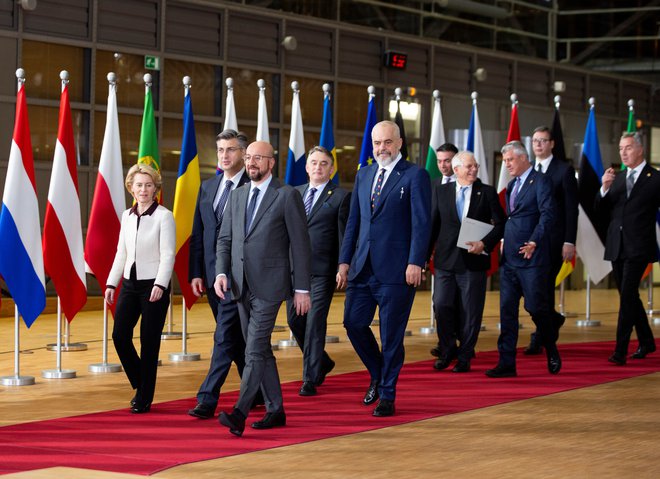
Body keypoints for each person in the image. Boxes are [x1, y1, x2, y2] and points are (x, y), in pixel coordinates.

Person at [214, 140, 311, 436]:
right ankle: (275, 409)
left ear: (271, 162)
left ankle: (240, 412)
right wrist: (221, 271)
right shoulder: (238, 194)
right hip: (240, 285)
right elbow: (225, 239)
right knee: (261, 350)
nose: (251, 162)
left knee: (254, 349)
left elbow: (300, 245)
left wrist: (302, 289)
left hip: (271, 285)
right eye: (248, 157)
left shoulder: (287, 196)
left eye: (258, 158)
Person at [337, 120, 431, 417]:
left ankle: (388, 395)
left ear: (399, 143)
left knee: (391, 336)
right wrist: (344, 261)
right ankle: (378, 374)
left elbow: (422, 223)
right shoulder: (364, 175)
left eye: (387, 142)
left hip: (397, 270)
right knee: (353, 323)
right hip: (362, 267)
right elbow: (353, 222)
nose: (381, 148)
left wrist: (416, 261)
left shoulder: (415, 176)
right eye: (377, 143)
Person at [187, 129, 252, 419]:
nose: (225, 155)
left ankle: (207, 397)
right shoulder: (208, 187)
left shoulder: (255, 187)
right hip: (212, 276)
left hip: (241, 277)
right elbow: (199, 233)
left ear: (244, 154)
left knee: (224, 336)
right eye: (221, 150)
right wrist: (196, 272)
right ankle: (259, 391)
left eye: (231, 150)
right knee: (234, 338)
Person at [486, 141, 560, 378]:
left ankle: (551, 347)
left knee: (536, 308)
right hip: (509, 260)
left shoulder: (540, 181)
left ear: (523, 158)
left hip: (532, 258)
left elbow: (548, 214)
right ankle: (506, 362)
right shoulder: (510, 186)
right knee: (507, 312)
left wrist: (535, 240)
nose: (506, 165)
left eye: (509, 160)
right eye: (504, 161)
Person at [105, 163, 175, 413]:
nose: (143, 190)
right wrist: (112, 282)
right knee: (120, 336)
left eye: (148, 185)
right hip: (130, 284)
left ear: (155, 188)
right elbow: (120, 252)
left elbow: (168, 255)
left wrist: (160, 284)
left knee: (149, 341)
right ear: (131, 188)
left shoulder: (164, 216)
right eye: (139, 185)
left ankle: (144, 397)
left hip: (154, 285)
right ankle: (141, 383)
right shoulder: (126, 215)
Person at [428, 151, 505, 373]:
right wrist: (422, 259)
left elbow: (501, 224)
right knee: (441, 305)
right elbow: (432, 225)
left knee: (471, 312)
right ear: (456, 169)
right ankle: (447, 349)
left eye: (476, 166)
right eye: (469, 166)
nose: (474, 170)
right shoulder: (441, 191)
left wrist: (485, 243)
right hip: (444, 261)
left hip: (473, 263)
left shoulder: (487, 192)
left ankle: (465, 356)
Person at [287, 146, 350, 396]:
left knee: (314, 323)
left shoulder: (341, 196)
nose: (318, 167)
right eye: (314, 162)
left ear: (331, 169)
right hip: (295, 272)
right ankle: (322, 361)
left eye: (324, 163)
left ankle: (310, 378)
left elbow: (344, 235)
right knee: (295, 320)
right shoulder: (294, 193)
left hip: (323, 271)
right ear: (306, 166)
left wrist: (342, 266)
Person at [597, 132, 660, 365]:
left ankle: (620, 350)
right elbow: (600, 211)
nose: (623, 152)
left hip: (639, 246)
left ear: (640, 150)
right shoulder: (618, 178)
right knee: (629, 295)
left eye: (628, 148)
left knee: (627, 298)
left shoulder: (655, 178)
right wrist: (603, 188)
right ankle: (646, 341)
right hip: (617, 245)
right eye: (621, 148)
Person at [524, 126, 578, 355]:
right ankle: (552, 320)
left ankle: (540, 337)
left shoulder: (563, 171)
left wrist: (569, 241)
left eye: (543, 141)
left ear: (552, 144)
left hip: (553, 242)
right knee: (533, 292)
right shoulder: (527, 170)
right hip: (529, 241)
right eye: (535, 140)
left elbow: (570, 209)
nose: (538, 145)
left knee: (543, 290)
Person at [429, 142, 460, 360]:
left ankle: (463, 343)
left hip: (465, 254)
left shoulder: (469, 184)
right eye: (439, 161)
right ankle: (446, 344)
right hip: (441, 253)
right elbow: (428, 221)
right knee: (440, 301)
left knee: (461, 303)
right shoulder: (433, 185)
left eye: (447, 160)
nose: (442, 165)